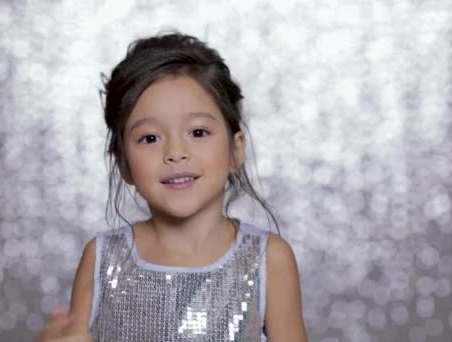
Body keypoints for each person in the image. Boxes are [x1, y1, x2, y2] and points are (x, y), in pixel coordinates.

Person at [37, 31, 308, 342]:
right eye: (150, 138)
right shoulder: (102, 258)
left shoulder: (267, 258)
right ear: (122, 161)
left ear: (235, 151)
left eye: (198, 132)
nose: (176, 152)